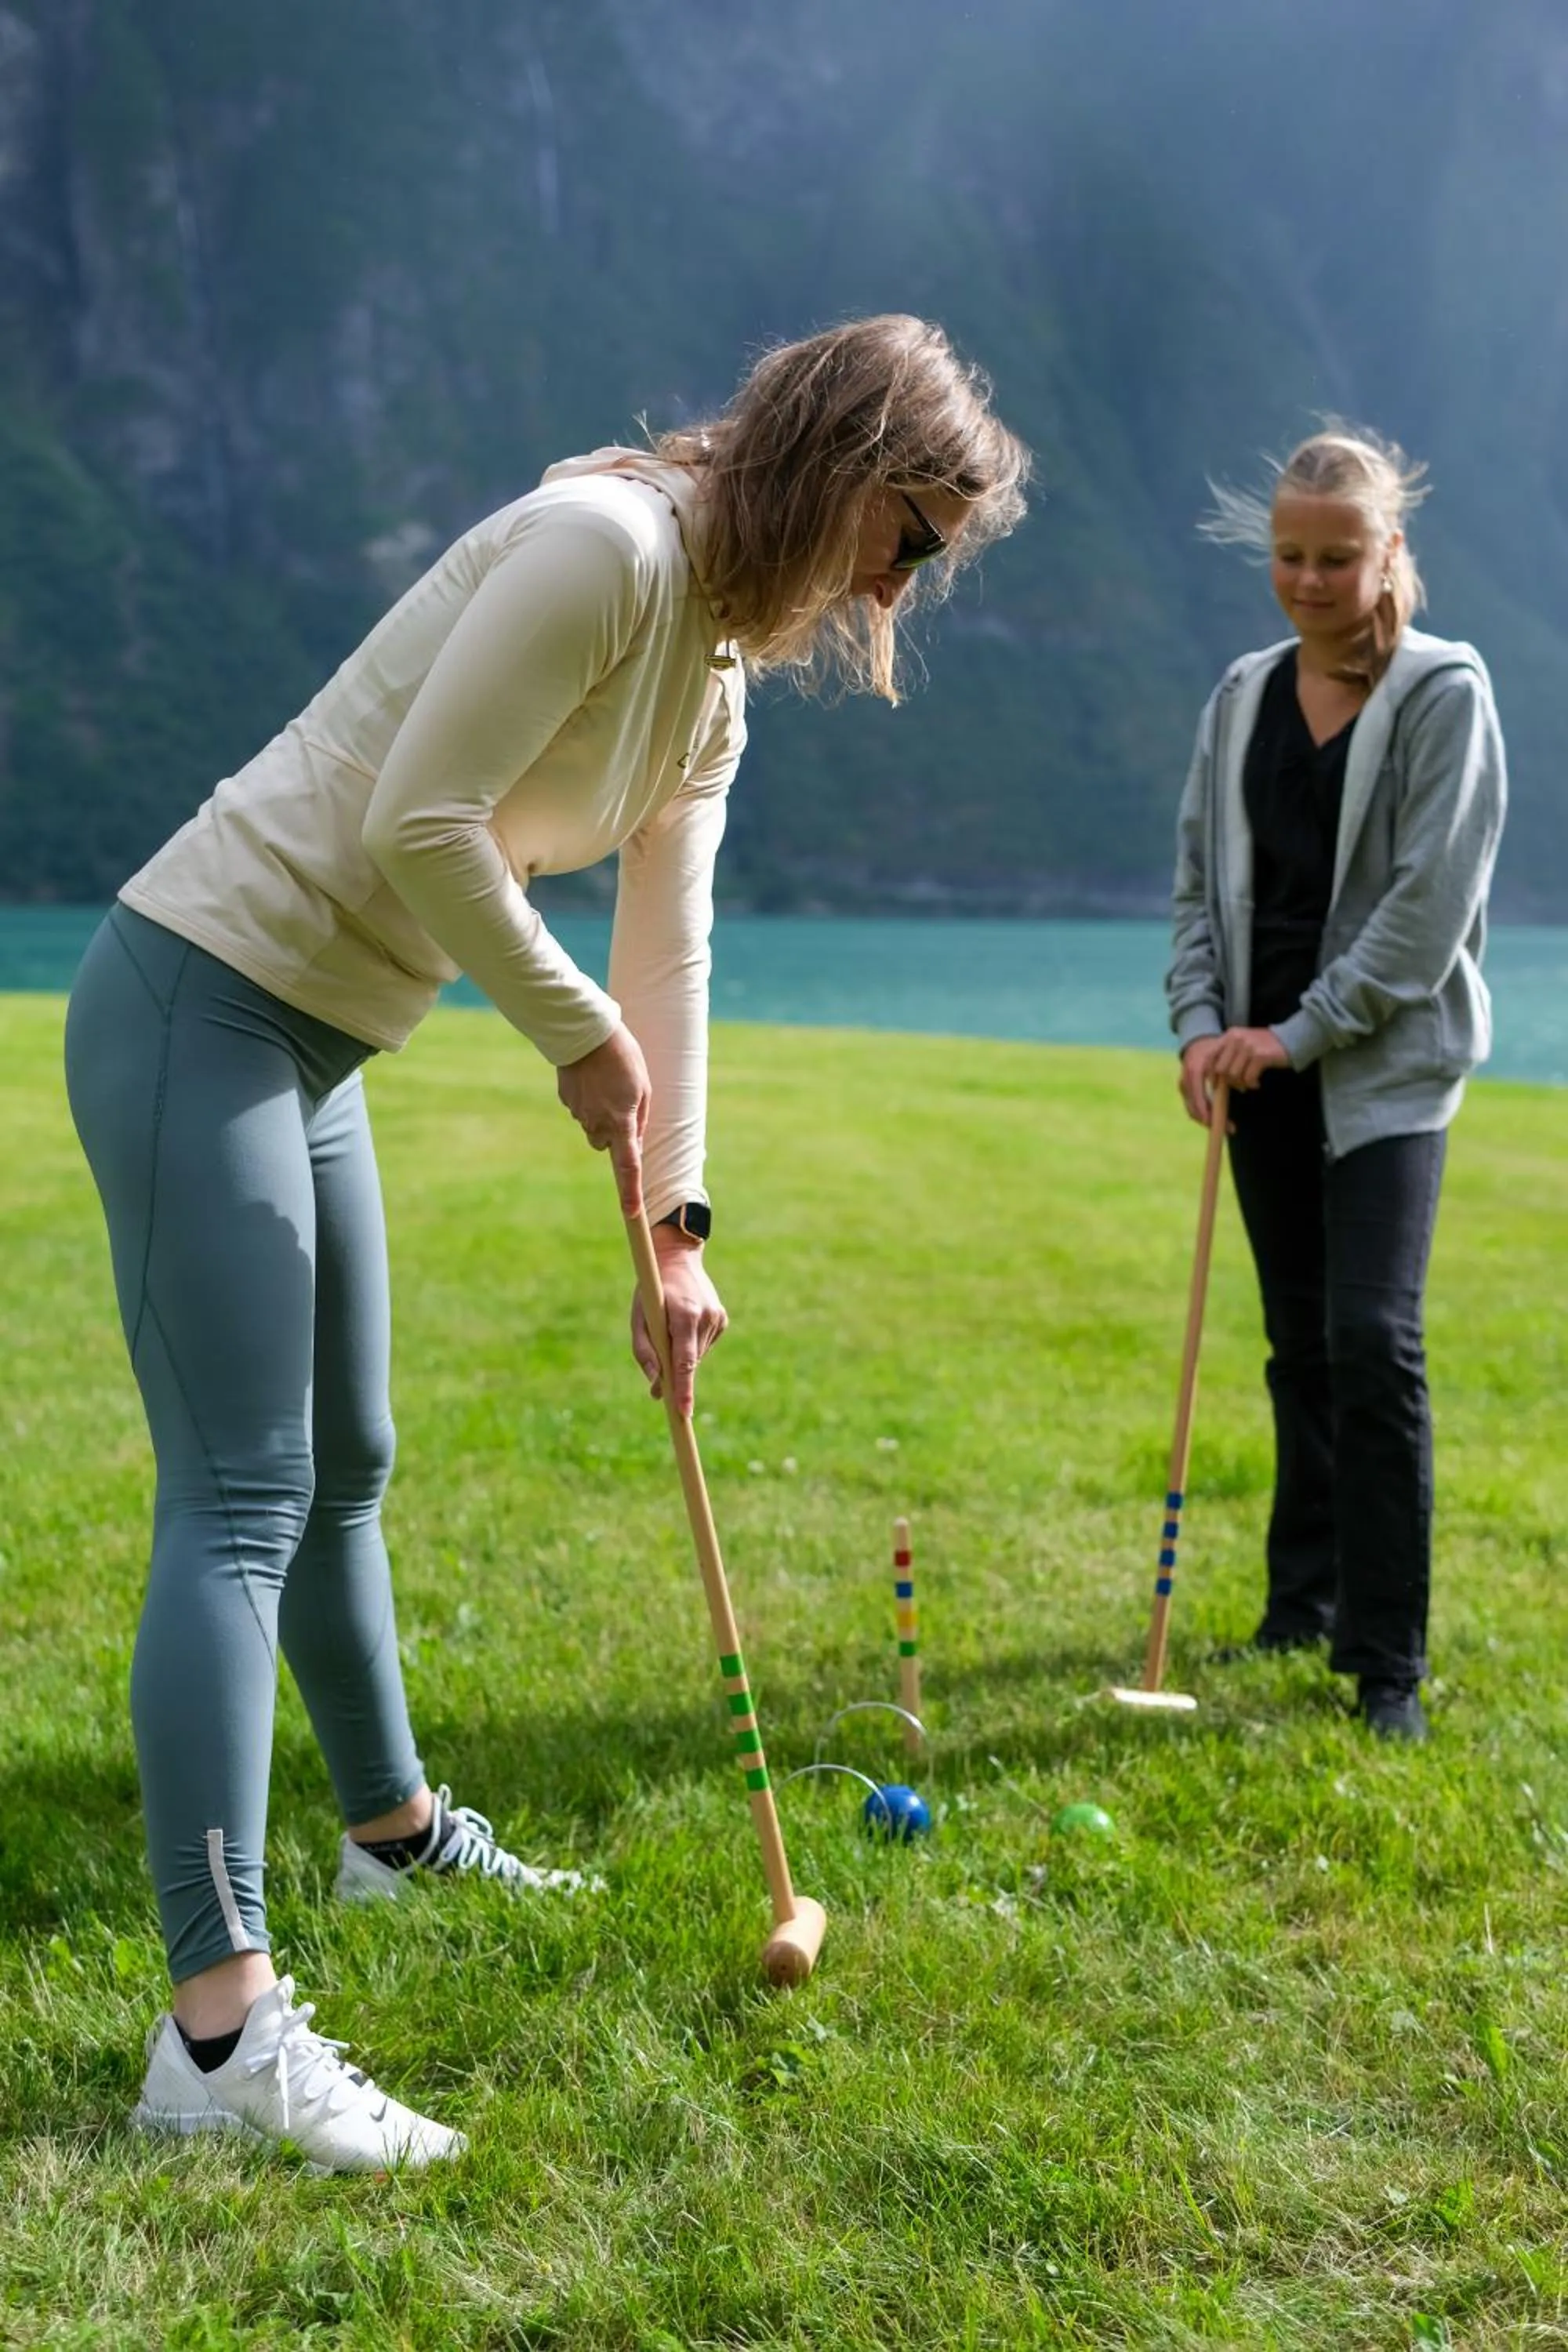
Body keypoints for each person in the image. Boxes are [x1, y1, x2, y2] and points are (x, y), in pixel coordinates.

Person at [64, 314, 1030, 2169]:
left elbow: (672, 957)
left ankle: (392, 1842)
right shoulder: (611, 551)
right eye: (903, 536)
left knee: (353, 1466)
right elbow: (415, 819)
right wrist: (571, 1035)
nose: (899, 584)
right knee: (243, 1498)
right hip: (200, 996)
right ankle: (215, 2039)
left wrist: (676, 1225)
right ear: (839, 469)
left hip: (315, 1037)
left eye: (925, 564)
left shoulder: (719, 667)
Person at [1166, 425, 1506, 1744]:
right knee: (1298, 1345)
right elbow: (1197, 882)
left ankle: (1388, 1664)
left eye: (1338, 557)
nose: (1309, 579)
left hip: (1383, 1074)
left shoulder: (1443, 694)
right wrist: (1203, 1024)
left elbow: (1428, 912)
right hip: (1256, 1068)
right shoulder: (1241, 694)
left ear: (1390, 555)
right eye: (1291, 556)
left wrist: (1298, 1034)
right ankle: (1300, 1602)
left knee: (1374, 1341)